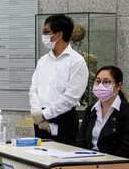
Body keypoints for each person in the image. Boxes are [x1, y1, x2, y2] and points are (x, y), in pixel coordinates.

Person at [29, 14, 89, 144]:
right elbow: (33, 89)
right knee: (40, 159)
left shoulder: (76, 62)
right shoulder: (43, 61)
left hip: (63, 120)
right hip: (39, 120)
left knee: (60, 160)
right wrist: (37, 113)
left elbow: (70, 98)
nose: (43, 36)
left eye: (46, 32)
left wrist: (45, 115)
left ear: (59, 34)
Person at [76, 66, 129, 158]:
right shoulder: (91, 109)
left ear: (118, 86)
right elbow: (80, 140)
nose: (101, 85)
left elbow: (126, 147)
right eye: (98, 81)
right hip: (88, 161)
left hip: (116, 165)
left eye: (106, 82)